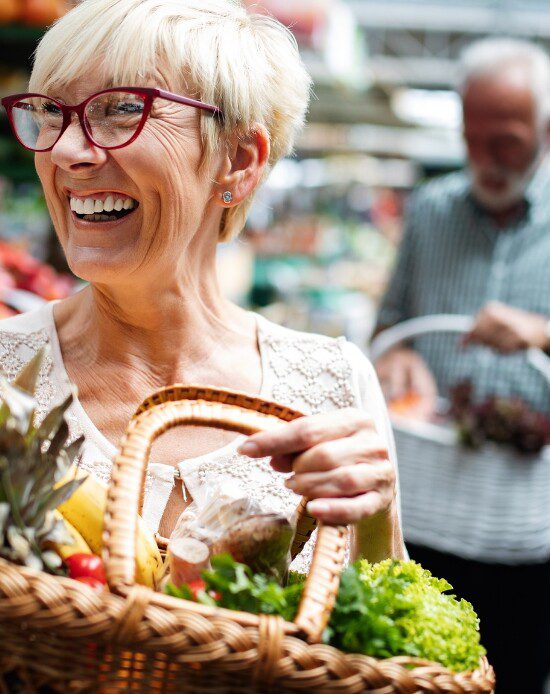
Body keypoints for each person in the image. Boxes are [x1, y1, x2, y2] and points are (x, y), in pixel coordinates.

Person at [0, 0, 406, 574]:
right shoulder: (4, 374)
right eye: (48, 112)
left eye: (120, 110)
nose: (66, 150)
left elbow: (386, 649)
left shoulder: (335, 387)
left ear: (239, 160)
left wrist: (375, 521)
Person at [374, 38, 550, 694]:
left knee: (515, 672)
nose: (484, 158)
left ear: (546, 131)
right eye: (472, 138)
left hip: (529, 524)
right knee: (415, 671)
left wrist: (541, 333)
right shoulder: (431, 214)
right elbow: (390, 323)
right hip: (429, 507)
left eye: (504, 141)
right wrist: (398, 356)